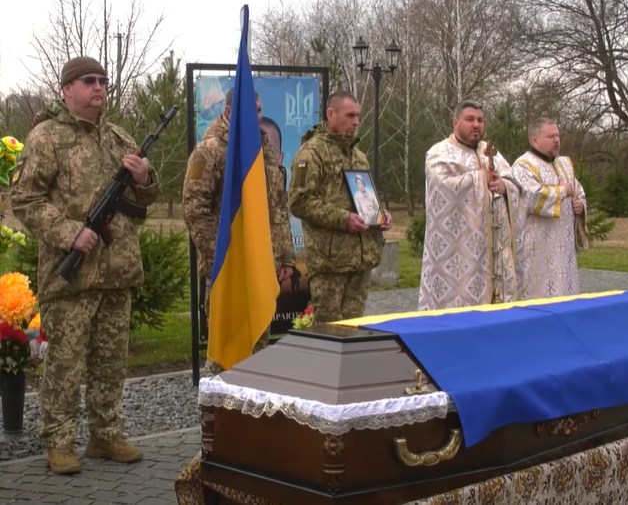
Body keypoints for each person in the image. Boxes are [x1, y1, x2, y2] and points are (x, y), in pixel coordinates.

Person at [10, 57, 159, 475]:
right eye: (88, 81)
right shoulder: (46, 138)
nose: (99, 87)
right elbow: (24, 200)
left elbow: (145, 199)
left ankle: (105, 434)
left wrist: (145, 178)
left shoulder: (117, 137)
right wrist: (69, 232)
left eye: (103, 81)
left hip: (117, 272)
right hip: (73, 275)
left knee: (112, 362)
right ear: (66, 89)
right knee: (65, 364)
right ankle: (58, 441)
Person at [182, 90, 295, 360]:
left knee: (258, 348)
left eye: (258, 110)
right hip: (228, 270)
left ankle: (253, 401)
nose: (256, 117)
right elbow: (195, 212)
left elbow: (277, 207)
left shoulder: (263, 151)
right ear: (230, 113)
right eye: (249, 110)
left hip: (262, 267)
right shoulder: (209, 151)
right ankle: (219, 403)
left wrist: (285, 257)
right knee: (227, 352)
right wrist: (224, 257)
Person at [289, 91, 392, 324]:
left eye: (358, 116)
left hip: (359, 260)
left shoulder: (358, 156)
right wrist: (343, 219)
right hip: (329, 263)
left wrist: (380, 215)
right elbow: (299, 201)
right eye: (350, 115)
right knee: (330, 334)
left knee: (353, 331)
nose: (356, 122)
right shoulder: (311, 153)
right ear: (331, 114)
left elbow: (364, 197)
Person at [418, 100, 521, 310]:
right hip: (458, 255)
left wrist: (504, 186)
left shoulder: (491, 151)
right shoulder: (439, 153)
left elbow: (513, 181)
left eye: (480, 120)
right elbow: (442, 188)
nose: (476, 124)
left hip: (495, 253)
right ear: (455, 122)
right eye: (470, 119)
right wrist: (478, 178)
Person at [511, 118, 586, 298]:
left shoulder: (564, 164)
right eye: (551, 136)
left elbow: (578, 191)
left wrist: (580, 205)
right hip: (537, 250)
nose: (557, 140)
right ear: (534, 140)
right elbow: (531, 198)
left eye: (558, 136)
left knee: (566, 294)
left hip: (564, 249)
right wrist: (562, 191)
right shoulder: (523, 166)